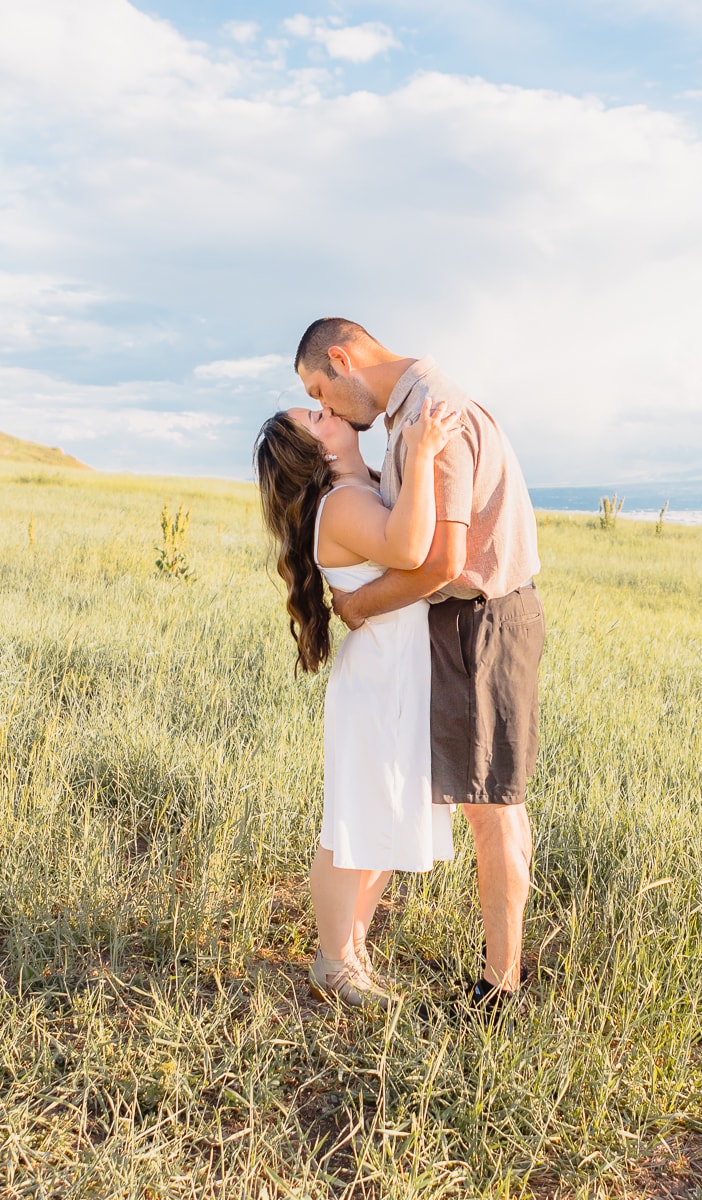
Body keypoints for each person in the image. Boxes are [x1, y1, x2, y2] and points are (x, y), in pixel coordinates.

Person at [294, 317, 545, 1012]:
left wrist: (356, 605)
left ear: (342, 359)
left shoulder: (434, 414)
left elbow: (440, 561)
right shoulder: (407, 421)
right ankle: (347, 953)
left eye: (320, 391)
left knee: (492, 806)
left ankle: (500, 988)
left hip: (481, 620)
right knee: (456, 803)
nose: (327, 407)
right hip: (446, 630)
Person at [253, 397, 459, 1009]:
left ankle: (353, 949)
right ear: (318, 453)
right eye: (317, 418)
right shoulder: (341, 504)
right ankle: (332, 960)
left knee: (386, 817)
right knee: (353, 822)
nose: (330, 411)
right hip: (377, 680)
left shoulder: (361, 485)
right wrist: (423, 453)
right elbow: (409, 549)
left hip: (399, 671)